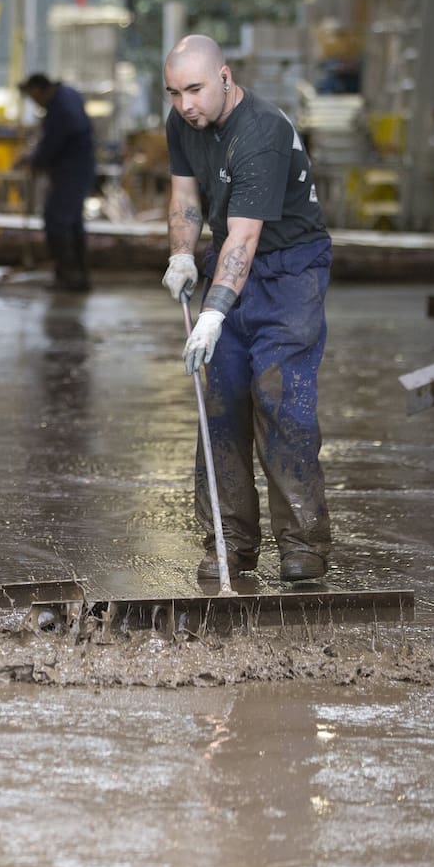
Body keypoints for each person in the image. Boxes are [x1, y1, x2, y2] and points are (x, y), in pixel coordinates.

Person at [160, 34, 333, 582]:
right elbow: (187, 197)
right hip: (229, 259)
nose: (185, 104)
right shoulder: (184, 124)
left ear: (226, 78)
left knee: (281, 399)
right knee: (221, 402)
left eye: (195, 89)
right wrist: (183, 255)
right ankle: (229, 540)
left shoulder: (260, 131)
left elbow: (245, 236)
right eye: (173, 92)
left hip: (290, 271)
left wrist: (213, 314)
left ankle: (304, 543)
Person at [17, 73, 96, 292]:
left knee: (57, 221)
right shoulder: (66, 95)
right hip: (77, 169)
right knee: (72, 223)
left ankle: (69, 277)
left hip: (71, 171)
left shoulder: (61, 109)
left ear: (39, 90)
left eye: (34, 98)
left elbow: (54, 141)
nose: (35, 103)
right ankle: (78, 278)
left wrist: (36, 160)